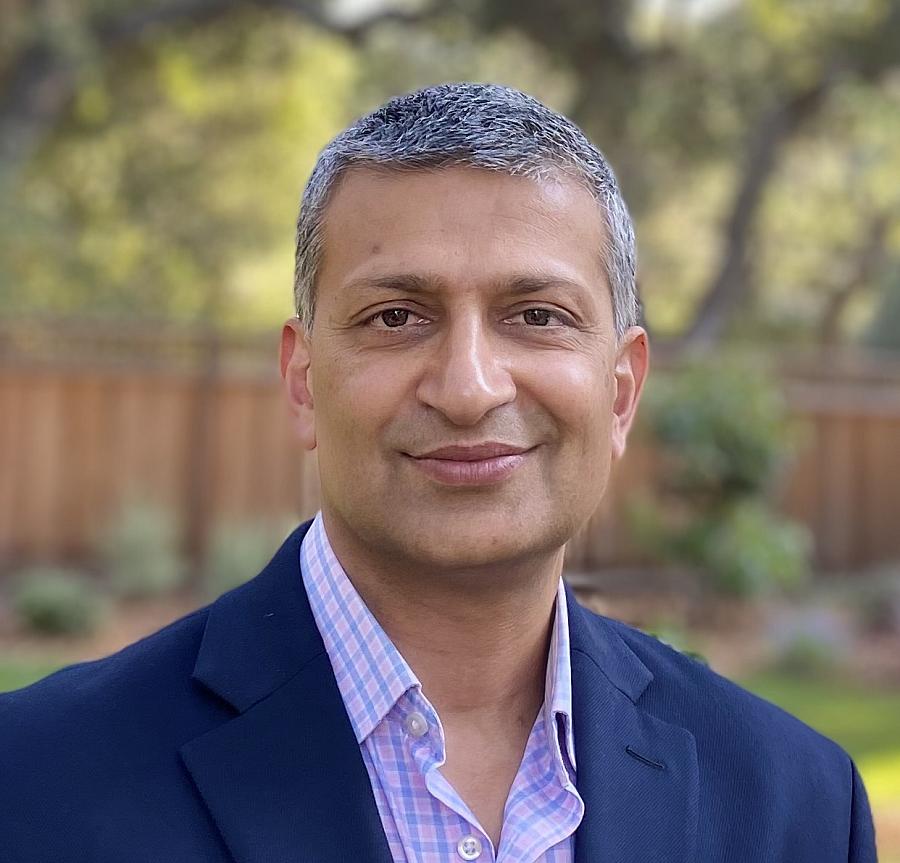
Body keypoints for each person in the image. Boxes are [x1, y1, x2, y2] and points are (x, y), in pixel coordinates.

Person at [0, 83, 876, 863]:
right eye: (396, 316)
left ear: (620, 392)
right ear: (303, 382)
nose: (468, 388)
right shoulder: (35, 783)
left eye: (537, 315)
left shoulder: (795, 805)